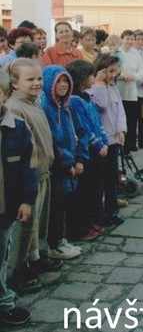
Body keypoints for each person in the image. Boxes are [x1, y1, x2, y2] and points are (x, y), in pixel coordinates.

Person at [5, 59, 62, 294]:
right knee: (24, 228)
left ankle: (34, 257)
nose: (37, 83)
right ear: (14, 83)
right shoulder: (15, 108)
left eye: (39, 78)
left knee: (38, 222)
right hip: (28, 177)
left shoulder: (33, 103)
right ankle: (17, 270)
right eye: (30, 79)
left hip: (42, 172)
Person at [0, 70, 38, 327]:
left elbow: (28, 167)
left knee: (1, 256)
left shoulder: (17, 129)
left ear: (5, 95)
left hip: (5, 207)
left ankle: (4, 303)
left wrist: (26, 200)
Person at [65, 59, 109, 242]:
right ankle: (82, 226)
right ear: (82, 77)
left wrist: (105, 141)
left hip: (99, 151)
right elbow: (84, 128)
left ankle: (91, 220)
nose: (94, 78)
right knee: (84, 191)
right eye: (91, 75)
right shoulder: (75, 102)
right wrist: (98, 145)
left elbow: (97, 122)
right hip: (88, 152)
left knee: (94, 190)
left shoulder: (87, 98)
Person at [41, 65, 82, 260]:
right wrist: (67, 163)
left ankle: (60, 239)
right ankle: (54, 243)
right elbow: (55, 140)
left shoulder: (64, 106)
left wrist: (77, 158)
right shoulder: (48, 109)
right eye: (59, 81)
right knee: (56, 206)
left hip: (69, 162)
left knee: (63, 203)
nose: (63, 85)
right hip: (58, 166)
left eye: (66, 81)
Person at [88, 54, 127, 227]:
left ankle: (112, 209)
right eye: (109, 71)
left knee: (112, 178)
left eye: (115, 71)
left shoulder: (114, 88)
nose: (113, 75)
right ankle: (98, 213)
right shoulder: (94, 89)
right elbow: (101, 105)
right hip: (100, 141)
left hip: (113, 139)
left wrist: (121, 130)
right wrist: (99, 83)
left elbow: (120, 111)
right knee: (99, 179)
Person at [115, 30, 143, 153]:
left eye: (132, 39)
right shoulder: (117, 53)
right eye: (127, 38)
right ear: (122, 39)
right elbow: (113, 69)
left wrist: (133, 76)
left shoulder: (136, 55)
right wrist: (122, 75)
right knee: (119, 119)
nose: (129, 41)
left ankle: (129, 145)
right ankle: (119, 145)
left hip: (132, 92)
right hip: (119, 90)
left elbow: (142, 72)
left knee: (131, 120)